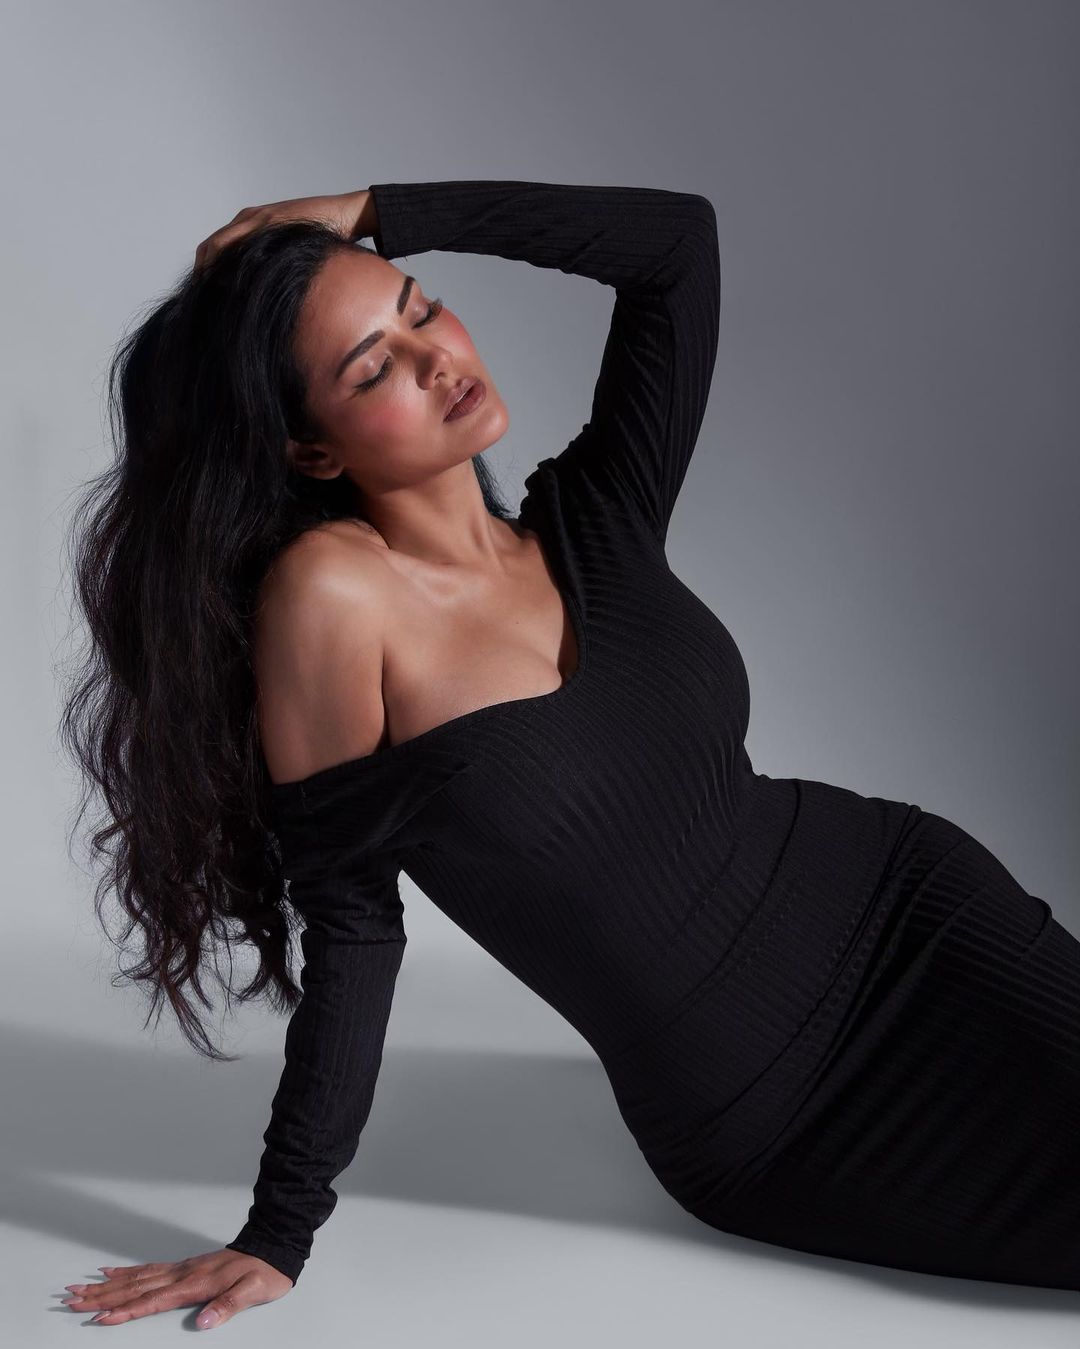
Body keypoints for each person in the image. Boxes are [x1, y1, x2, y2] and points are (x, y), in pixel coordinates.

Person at [60, 180, 1080, 1329]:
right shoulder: (336, 598)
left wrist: (380, 210)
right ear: (309, 448)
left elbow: (677, 247)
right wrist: (279, 1228)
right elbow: (354, 930)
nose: (438, 358)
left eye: (422, 308)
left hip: (914, 905)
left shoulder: (596, 517)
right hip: (774, 1111)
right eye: (374, 367)